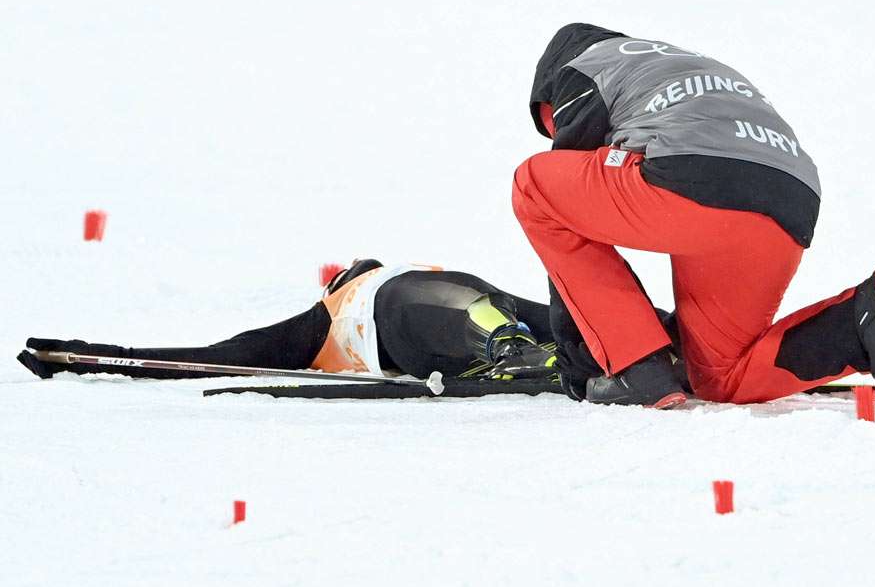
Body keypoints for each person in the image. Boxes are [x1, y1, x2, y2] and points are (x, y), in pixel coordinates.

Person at [513, 23, 875, 409]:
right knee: (718, 377)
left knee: (534, 187)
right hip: (788, 199)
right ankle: (860, 321)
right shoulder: (677, 63)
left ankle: (635, 367)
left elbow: (572, 217)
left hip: (691, 178)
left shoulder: (583, 68)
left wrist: (579, 360)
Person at [17, 260, 556, 382]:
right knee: (440, 302)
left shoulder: (405, 268)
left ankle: (550, 347)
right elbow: (214, 359)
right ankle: (514, 349)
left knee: (561, 318)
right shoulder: (319, 319)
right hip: (404, 323)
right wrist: (85, 356)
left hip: (473, 305)